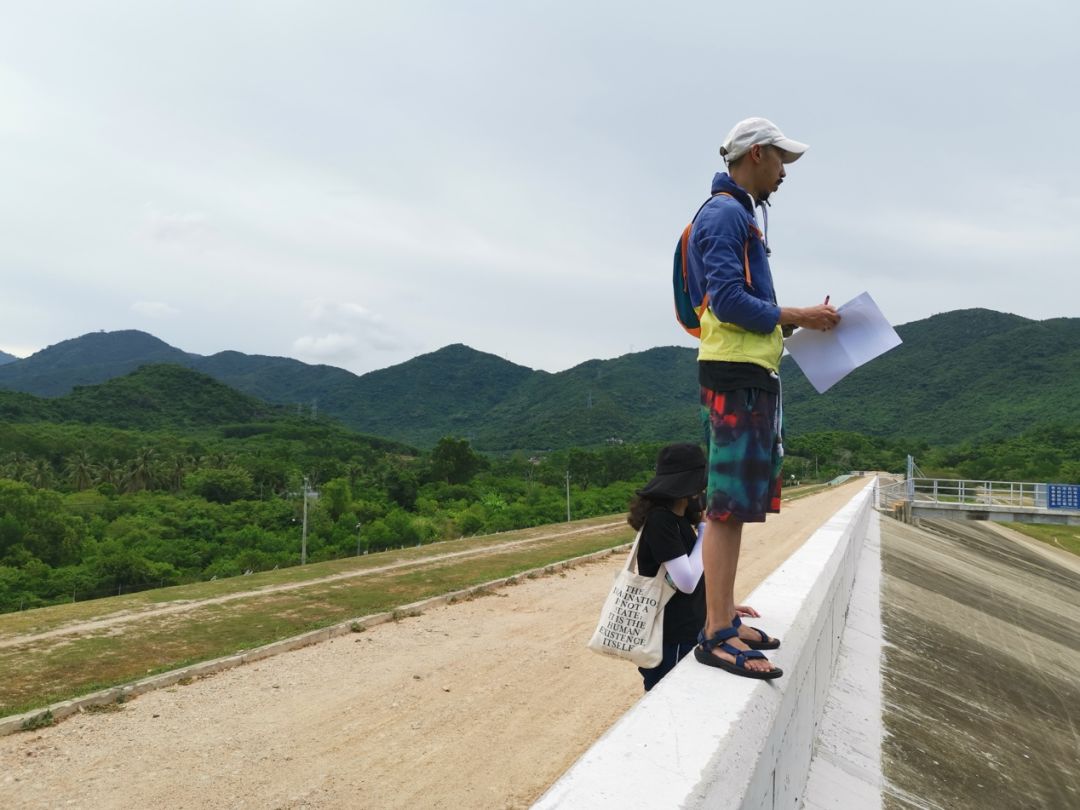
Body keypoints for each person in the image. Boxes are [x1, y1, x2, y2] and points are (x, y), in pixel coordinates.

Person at [683, 117, 841, 679]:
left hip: (747, 371)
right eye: (780, 162)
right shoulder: (727, 214)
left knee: (736, 505)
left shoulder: (735, 214)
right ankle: (715, 634)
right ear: (756, 155)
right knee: (726, 506)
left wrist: (792, 327)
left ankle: (724, 618)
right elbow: (726, 301)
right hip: (734, 376)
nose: (783, 174)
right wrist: (799, 314)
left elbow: (741, 307)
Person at [628, 443, 707, 690]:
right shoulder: (661, 521)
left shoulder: (678, 519)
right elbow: (686, 582)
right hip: (671, 636)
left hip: (682, 630)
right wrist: (707, 531)